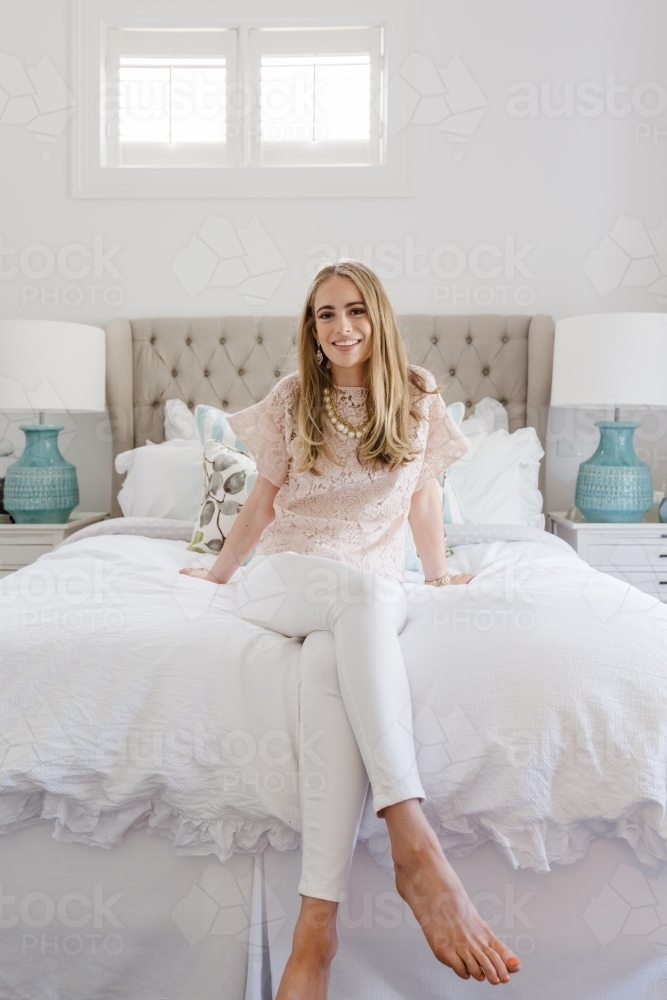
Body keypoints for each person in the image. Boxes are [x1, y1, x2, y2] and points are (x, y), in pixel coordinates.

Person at [181, 261, 521, 998]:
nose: (341, 327)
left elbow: (422, 499)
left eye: (355, 310)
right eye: (325, 314)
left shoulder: (418, 397)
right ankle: (413, 840)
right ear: (311, 329)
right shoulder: (292, 398)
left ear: (379, 317)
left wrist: (437, 575)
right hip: (285, 576)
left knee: (327, 660)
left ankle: (316, 930)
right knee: (354, 601)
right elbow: (262, 504)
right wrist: (216, 575)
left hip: (370, 588)